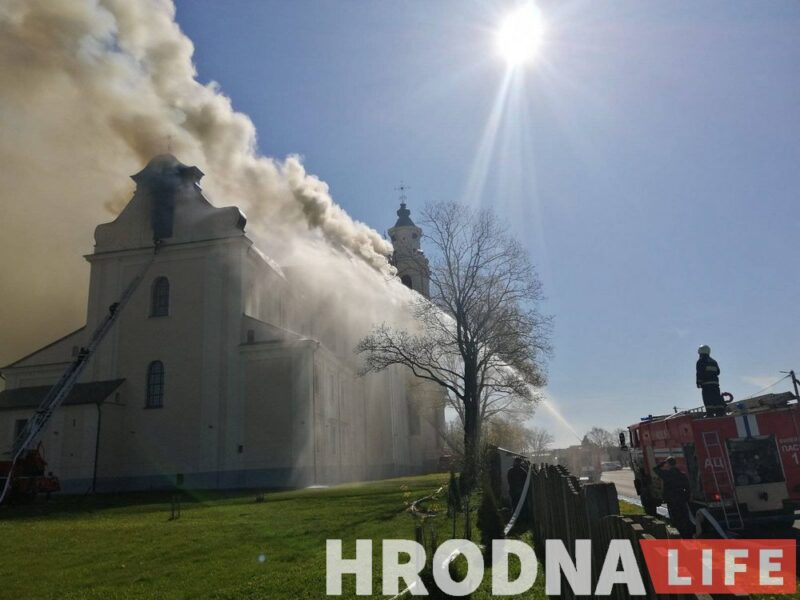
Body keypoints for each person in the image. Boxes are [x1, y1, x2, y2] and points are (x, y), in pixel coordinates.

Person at [654, 457, 694, 538]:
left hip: (671, 500)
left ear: (668, 464)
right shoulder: (682, 475)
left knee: (675, 519)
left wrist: (663, 462)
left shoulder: (666, 474)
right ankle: (688, 535)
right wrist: (686, 498)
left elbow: (655, 469)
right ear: (675, 464)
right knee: (685, 518)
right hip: (681, 500)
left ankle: (679, 535)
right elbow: (688, 488)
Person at [696, 345, 725, 417]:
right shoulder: (714, 361)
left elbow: (699, 372)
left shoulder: (700, 361)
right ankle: (720, 413)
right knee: (716, 397)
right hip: (715, 384)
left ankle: (710, 413)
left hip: (706, 384)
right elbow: (718, 372)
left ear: (700, 352)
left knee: (708, 398)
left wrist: (698, 381)